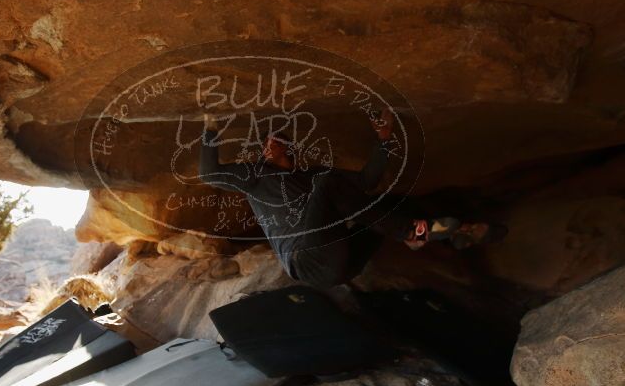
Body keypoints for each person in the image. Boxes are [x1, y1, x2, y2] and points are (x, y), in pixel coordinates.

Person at [198, 111, 498, 289]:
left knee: (387, 201)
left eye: (275, 140)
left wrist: (384, 141)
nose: (268, 146)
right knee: (332, 186)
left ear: (290, 147)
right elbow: (209, 174)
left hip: (344, 263)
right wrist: (210, 129)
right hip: (306, 261)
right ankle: (407, 233)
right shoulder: (255, 178)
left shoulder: (314, 175)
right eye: (265, 142)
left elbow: (366, 181)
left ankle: (454, 234)